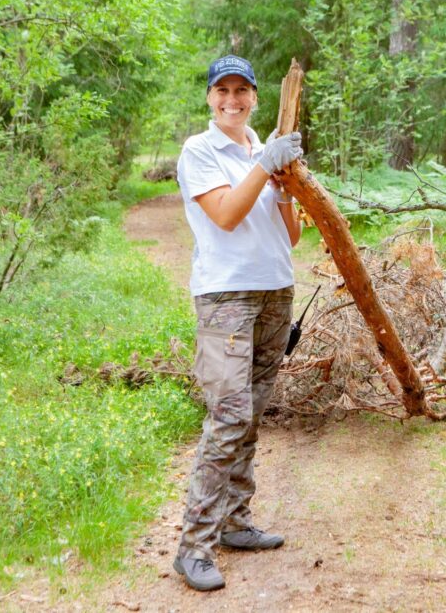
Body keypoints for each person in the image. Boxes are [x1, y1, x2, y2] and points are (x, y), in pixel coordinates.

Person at [173, 54, 304, 591]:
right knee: (227, 417)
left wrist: (288, 184)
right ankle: (193, 547)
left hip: (276, 289)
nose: (232, 100)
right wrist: (263, 165)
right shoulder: (199, 151)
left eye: (242, 91)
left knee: (251, 413)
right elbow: (225, 215)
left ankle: (235, 522)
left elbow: (290, 236)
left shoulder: (259, 149)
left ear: (255, 96)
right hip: (226, 295)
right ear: (209, 97)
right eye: (222, 90)